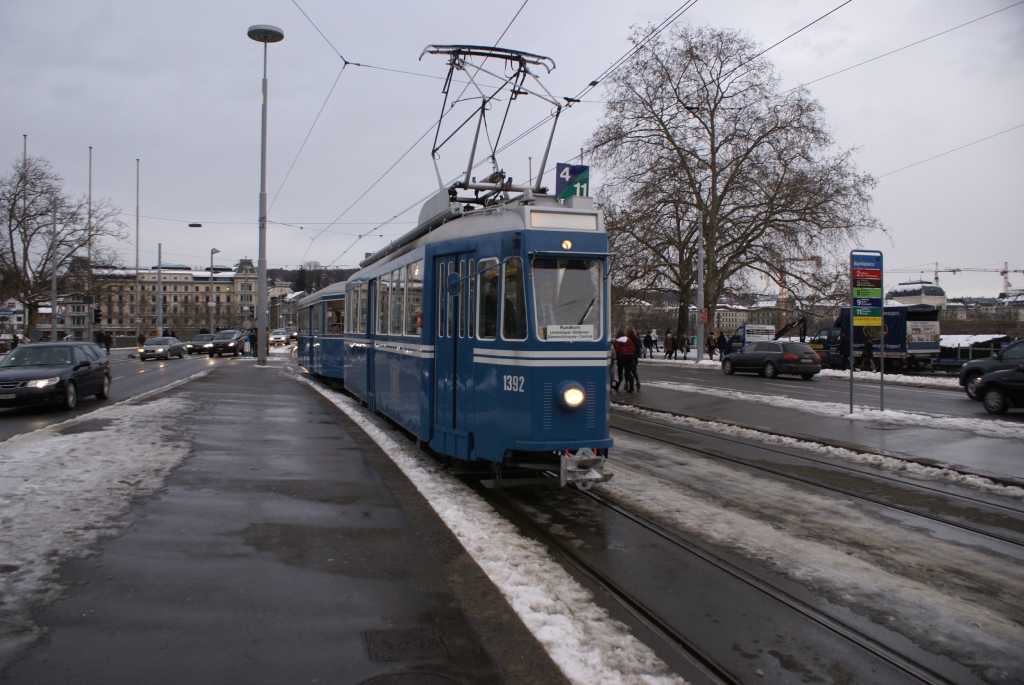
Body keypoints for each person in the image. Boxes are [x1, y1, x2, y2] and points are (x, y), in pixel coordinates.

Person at [612, 328, 638, 392]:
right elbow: (633, 348)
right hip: (630, 357)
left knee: (620, 373)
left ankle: (617, 386)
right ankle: (631, 388)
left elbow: (617, 350)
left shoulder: (617, 341)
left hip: (621, 358)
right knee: (628, 373)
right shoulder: (628, 339)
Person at [626, 325, 643, 390]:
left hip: (629, 355)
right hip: (635, 356)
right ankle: (637, 381)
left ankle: (627, 383)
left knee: (627, 371)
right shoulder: (636, 337)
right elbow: (638, 346)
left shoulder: (627, 338)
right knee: (634, 370)